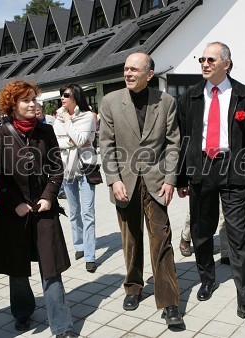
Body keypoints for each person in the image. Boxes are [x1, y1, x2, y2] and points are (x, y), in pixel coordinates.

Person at [176, 41, 245, 322]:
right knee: (201, 231)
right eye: (201, 59)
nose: (204, 64)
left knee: (238, 236)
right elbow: (182, 140)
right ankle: (207, 279)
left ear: (226, 63)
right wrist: (180, 176)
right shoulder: (189, 97)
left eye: (211, 60)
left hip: (233, 168)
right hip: (200, 167)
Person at [0, 80, 77, 338]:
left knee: (51, 267)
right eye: (26, 100)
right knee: (18, 266)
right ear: (13, 105)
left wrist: (48, 196)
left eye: (34, 99)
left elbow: (57, 168)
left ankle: (62, 326)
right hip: (14, 211)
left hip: (44, 208)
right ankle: (22, 310)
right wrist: (15, 203)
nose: (33, 104)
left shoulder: (45, 131)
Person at [99, 52, 184, 327]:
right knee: (131, 239)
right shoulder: (111, 101)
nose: (128, 73)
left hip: (156, 181)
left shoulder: (167, 101)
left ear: (149, 74)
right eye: (126, 69)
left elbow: (173, 143)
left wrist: (170, 179)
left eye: (135, 69)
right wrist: (114, 180)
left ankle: (169, 302)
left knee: (161, 238)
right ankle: (134, 286)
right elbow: (106, 145)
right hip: (125, 181)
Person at [53, 83, 97, 273]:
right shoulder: (58, 116)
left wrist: (68, 125)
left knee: (88, 212)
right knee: (74, 211)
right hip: (67, 169)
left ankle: (90, 255)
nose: (62, 98)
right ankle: (78, 245)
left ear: (76, 97)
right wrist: (71, 139)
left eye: (66, 95)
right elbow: (56, 140)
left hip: (86, 168)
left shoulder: (87, 116)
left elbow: (81, 141)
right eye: (61, 95)